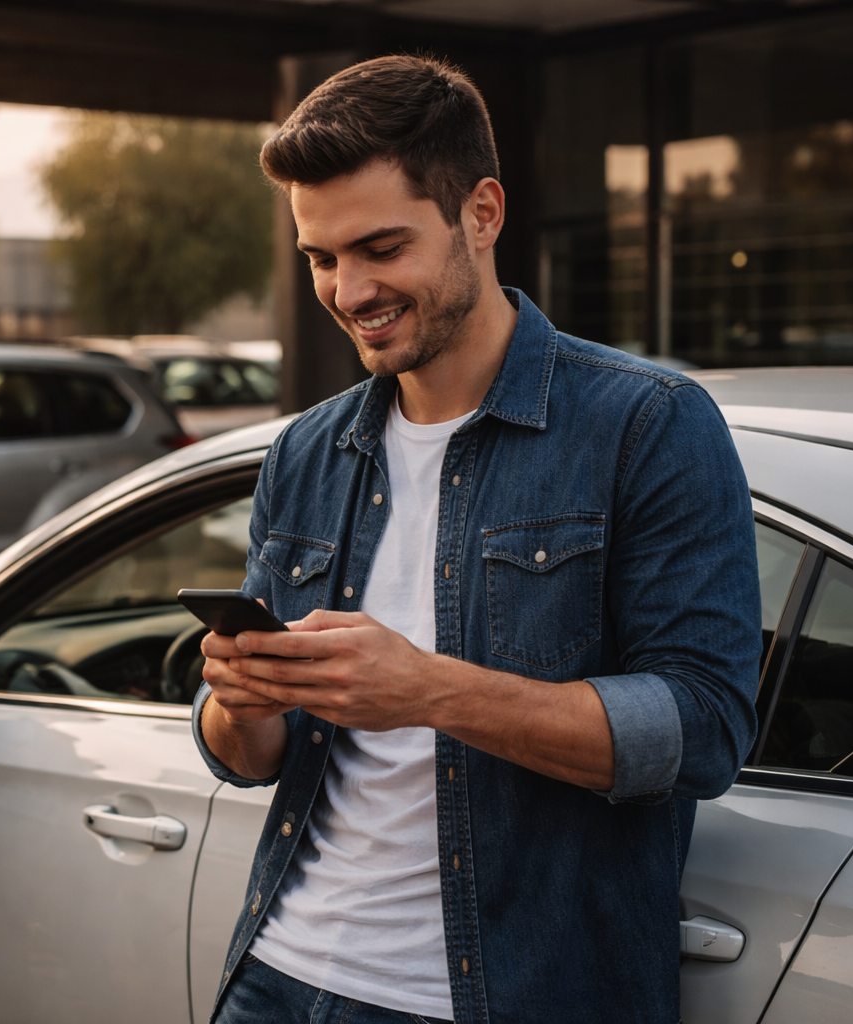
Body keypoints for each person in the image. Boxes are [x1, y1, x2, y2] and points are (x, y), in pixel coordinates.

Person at [193, 56, 761, 1024]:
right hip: (275, 973)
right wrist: (240, 703)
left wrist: (427, 690)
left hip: (503, 997)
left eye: (381, 246)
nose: (349, 290)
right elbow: (248, 757)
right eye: (322, 258)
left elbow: (705, 728)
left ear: (483, 213)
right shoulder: (306, 451)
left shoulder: (646, 424)